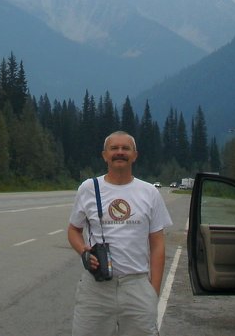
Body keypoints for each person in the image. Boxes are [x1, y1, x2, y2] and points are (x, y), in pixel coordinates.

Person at [67, 131, 173, 336]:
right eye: (114, 148)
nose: (120, 152)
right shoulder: (89, 188)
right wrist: (84, 252)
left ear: (135, 155)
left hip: (137, 285)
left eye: (126, 148)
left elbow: (158, 244)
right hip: (96, 288)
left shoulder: (149, 192)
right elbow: (73, 230)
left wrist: (153, 291)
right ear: (104, 155)